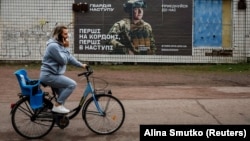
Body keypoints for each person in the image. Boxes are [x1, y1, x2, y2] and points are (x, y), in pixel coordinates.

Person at [39, 25, 88, 114]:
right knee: (72, 84)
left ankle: (58, 115)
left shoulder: (60, 45)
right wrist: (66, 48)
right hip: (49, 76)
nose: (67, 36)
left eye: (67, 33)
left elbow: (69, 57)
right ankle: (57, 106)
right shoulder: (53, 46)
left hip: (54, 75)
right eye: (65, 34)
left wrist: (82, 65)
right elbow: (63, 61)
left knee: (62, 93)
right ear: (59, 35)